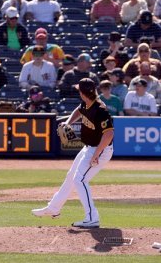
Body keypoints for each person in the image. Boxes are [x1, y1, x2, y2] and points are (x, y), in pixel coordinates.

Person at [32, 78, 114, 228]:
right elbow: (79, 110)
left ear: (83, 93)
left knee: (80, 180)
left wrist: (96, 154)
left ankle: (92, 217)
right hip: (89, 148)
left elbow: (109, 135)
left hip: (100, 150)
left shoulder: (100, 110)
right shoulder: (87, 102)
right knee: (72, 176)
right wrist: (68, 122)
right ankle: (53, 208)